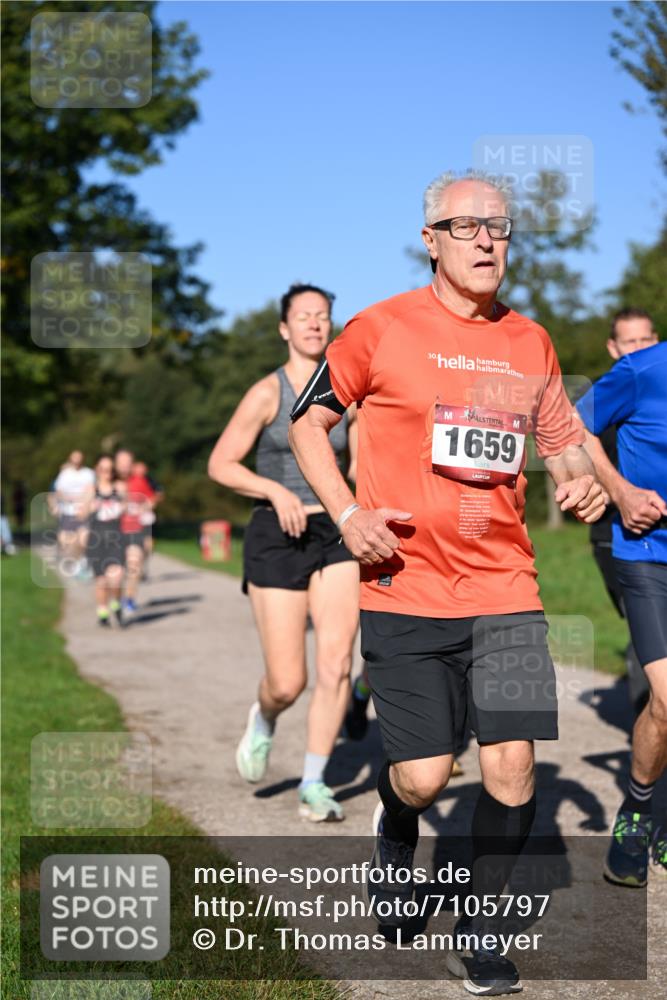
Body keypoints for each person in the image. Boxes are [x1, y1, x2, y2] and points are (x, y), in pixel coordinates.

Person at [290, 172, 606, 995]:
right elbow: (308, 423)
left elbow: (561, 439)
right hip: (402, 586)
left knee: (511, 773)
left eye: (497, 227)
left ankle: (480, 924)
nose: (484, 240)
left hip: (504, 589)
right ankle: (396, 828)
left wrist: (579, 479)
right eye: (464, 226)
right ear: (428, 239)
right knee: (426, 778)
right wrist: (347, 512)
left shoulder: (530, 342)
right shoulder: (379, 329)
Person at [208, 283, 360, 822]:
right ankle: (266, 717)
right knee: (287, 681)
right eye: (304, 316)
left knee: (338, 662)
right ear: (284, 328)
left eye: (323, 316)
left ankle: (315, 782)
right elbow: (222, 463)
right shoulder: (266, 393)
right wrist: (275, 491)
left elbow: (360, 467)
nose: (315, 324)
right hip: (277, 535)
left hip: (335, 535)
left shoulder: (347, 392)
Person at [576, 338, 667, 888]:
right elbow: (570, 427)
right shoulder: (642, 370)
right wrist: (620, 490)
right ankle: (636, 812)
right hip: (648, 554)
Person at [588, 309, 657, 714]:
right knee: (647, 627)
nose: (638, 349)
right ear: (614, 348)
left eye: (645, 341)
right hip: (613, 536)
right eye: (629, 343)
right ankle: (648, 720)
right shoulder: (600, 399)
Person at [80, 455, 126, 627]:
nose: (107, 473)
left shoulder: (120, 487)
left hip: (116, 538)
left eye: (110, 469)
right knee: (101, 582)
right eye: (103, 469)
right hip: (96, 539)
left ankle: (116, 604)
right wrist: (90, 507)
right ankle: (103, 613)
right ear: (97, 470)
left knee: (116, 578)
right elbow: (80, 514)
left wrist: (124, 507)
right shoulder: (91, 489)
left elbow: (128, 507)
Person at [115, 449, 155, 620]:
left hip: (134, 529)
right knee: (116, 572)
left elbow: (151, 499)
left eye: (127, 463)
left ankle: (129, 599)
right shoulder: (108, 481)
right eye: (121, 463)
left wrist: (144, 508)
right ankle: (113, 602)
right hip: (112, 532)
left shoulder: (139, 480)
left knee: (135, 565)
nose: (124, 466)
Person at [52, 450, 95, 579]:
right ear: (70, 459)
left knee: (83, 539)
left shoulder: (88, 473)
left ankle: (82, 561)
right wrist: (68, 499)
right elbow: (58, 491)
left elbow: (91, 490)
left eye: (79, 459)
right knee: (68, 542)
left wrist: (85, 505)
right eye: (74, 459)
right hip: (68, 512)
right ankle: (76, 561)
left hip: (84, 511)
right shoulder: (64, 474)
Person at [130, 460, 164, 578]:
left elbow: (159, 494)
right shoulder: (127, 480)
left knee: (148, 544)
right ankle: (133, 566)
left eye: (142, 468)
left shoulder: (150, 481)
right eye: (138, 468)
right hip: (130, 518)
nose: (140, 471)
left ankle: (143, 565)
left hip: (146, 518)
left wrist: (151, 502)